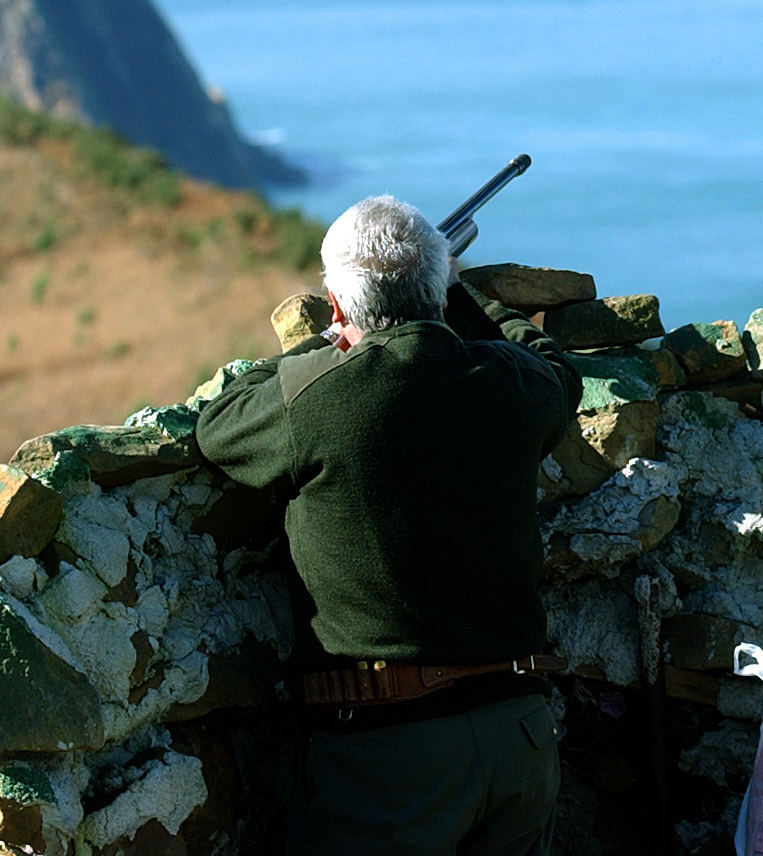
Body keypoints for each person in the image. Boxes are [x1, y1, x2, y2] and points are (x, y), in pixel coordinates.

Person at [196, 195, 582, 855]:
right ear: (438, 287)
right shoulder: (516, 382)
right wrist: (460, 298)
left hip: (391, 759)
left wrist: (322, 343)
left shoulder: (320, 397)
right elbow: (555, 367)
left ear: (340, 307)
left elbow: (219, 422)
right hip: (522, 735)